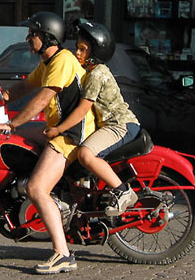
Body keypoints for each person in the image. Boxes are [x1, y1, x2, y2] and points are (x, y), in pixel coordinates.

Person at [0, 11, 95, 275]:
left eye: (32, 34)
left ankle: (63, 254)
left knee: (37, 188)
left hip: (71, 135)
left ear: (47, 37)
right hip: (55, 130)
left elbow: (43, 97)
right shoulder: (49, 62)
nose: (27, 38)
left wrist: (11, 123)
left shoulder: (63, 60)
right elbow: (25, 88)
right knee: (13, 140)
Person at [45, 21, 140, 216]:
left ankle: (124, 192)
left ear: (95, 53)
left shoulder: (97, 73)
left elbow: (82, 109)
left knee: (86, 154)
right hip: (110, 125)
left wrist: (59, 129)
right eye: (76, 48)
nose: (77, 53)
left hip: (120, 125)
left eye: (83, 49)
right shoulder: (88, 72)